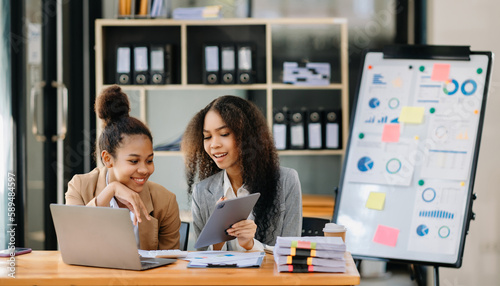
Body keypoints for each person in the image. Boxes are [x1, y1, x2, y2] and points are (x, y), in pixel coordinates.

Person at [65, 85, 181, 250]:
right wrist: (110, 191)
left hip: (145, 276)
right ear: (108, 159)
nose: (144, 170)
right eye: (134, 161)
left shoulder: (165, 201)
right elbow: (73, 243)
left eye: (149, 160)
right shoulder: (80, 187)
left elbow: (170, 266)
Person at [182, 95, 302, 251]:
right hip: (222, 276)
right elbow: (202, 261)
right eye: (207, 137)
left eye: (224, 134)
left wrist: (250, 245)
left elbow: (291, 252)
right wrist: (217, 238)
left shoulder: (286, 181)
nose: (214, 144)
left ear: (247, 136)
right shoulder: (202, 192)